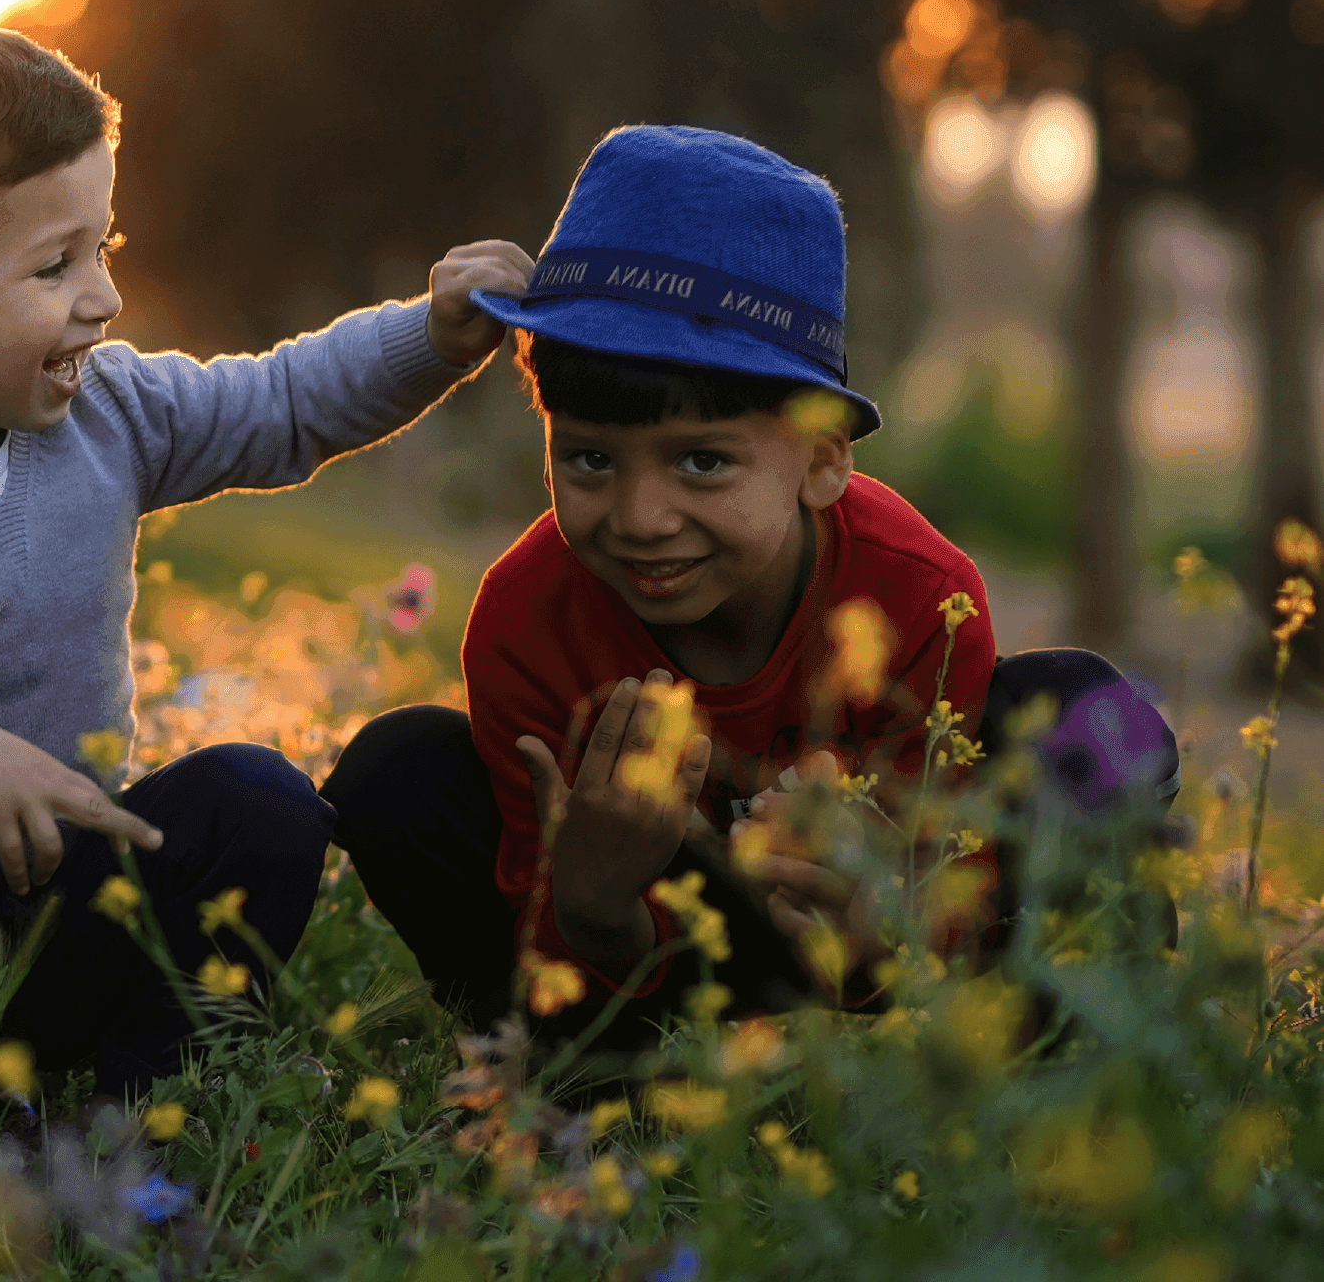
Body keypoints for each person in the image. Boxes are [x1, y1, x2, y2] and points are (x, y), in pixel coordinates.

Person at [0, 20, 530, 1123]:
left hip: (54, 913)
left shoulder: (105, 412)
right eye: (54, 265)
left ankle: (143, 1110)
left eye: (103, 250)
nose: (103, 298)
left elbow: (278, 403)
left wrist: (434, 336)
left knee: (258, 801)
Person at [323, 125, 1177, 1039]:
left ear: (819, 463)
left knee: (1086, 710)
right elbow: (548, 927)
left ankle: (1082, 1041)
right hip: (637, 967)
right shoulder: (525, 618)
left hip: (873, 953)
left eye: (699, 462)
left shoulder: (916, 594)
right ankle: (563, 1080)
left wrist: (878, 912)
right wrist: (597, 898)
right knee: (397, 771)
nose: (640, 517)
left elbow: (940, 882)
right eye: (586, 459)